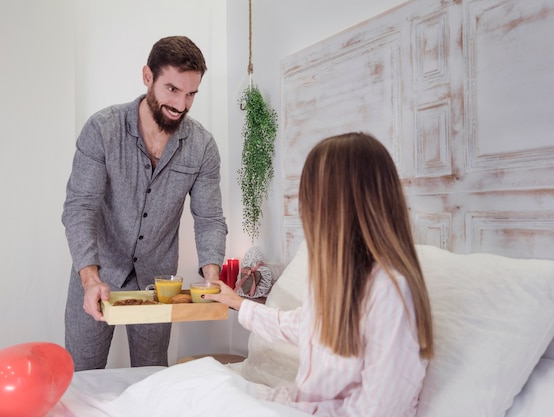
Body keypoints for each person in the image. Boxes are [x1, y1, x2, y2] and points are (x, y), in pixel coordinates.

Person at [207, 132, 434, 416]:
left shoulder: (390, 290)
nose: (304, 207)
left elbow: (377, 409)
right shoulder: (342, 278)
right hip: (300, 405)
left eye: (311, 195)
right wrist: (237, 303)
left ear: (340, 204)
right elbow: (301, 325)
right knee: (195, 386)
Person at [62, 36, 227, 371]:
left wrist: (212, 275)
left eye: (191, 93)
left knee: (152, 378)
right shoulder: (102, 129)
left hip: (158, 283)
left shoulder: (203, 146)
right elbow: (81, 207)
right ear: (147, 77)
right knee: (81, 375)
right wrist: (90, 278)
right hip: (97, 274)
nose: (182, 104)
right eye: (172, 89)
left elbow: (209, 217)